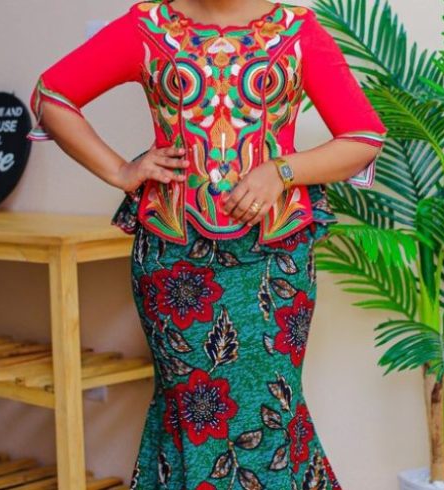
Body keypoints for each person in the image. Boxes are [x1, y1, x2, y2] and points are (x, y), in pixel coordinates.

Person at [26, 0, 387, 488]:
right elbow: (52, 95)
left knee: (271, 406)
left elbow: (363, 136)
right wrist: (121, 171)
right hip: (173, 262)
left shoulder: (297, 29)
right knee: (190, 409)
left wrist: (282, 171)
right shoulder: (149, 26)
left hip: (274, 262)